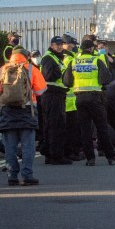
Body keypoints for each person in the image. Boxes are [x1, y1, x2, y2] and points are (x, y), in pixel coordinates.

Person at [62, 38, 115, 167]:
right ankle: (111, 156)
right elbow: (106, 79)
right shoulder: (96, 60)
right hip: (95, 98)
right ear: (91, 49)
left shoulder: (74, 62)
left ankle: (90, 159)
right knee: (102, 128)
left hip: (79, 99)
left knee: (85, 130)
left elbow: (67, 82)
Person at [0, 46, 47, 186]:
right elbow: (41, 91)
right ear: (26, 56)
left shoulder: (2, 70)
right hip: (27, 110)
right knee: (27, 146)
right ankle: (27, 176)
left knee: (10, 146)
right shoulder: (30, 69)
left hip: (7, 111)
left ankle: (12, 176)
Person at [39, 36, 72, 165]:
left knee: (52, 125)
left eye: (61, 44)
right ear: (52, 45)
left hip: (55, 94)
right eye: (57, 44)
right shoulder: (48, 58)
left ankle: (51, 154)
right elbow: (48, 75)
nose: (60, 46)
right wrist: (60, 72)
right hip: (52, 94)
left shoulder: (56, 57)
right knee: (56, 126)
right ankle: (56, 156)